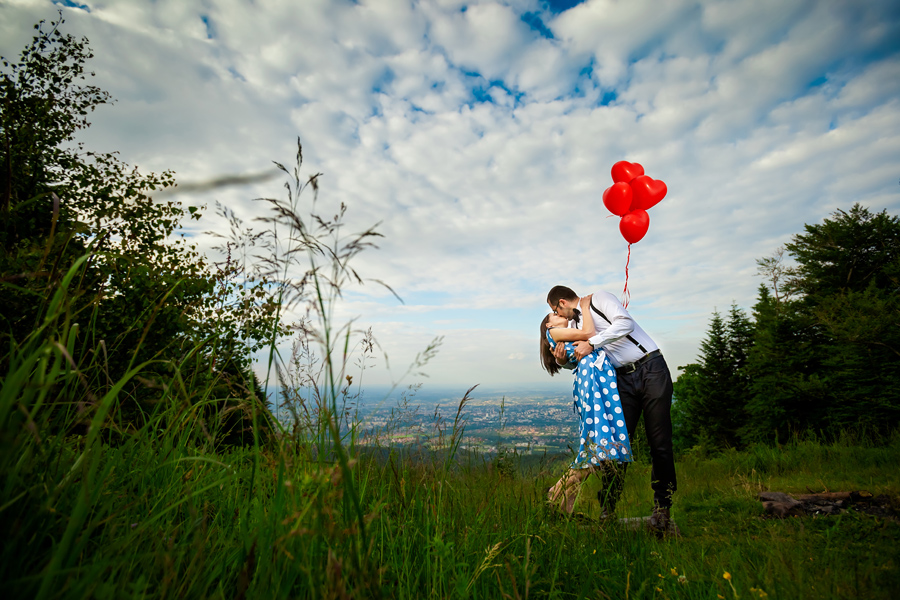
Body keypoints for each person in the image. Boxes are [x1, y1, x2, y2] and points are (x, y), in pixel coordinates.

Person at [546, 285, 676, 534]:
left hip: (650, 368)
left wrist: (593, 343)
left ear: (561, 302)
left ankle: (663, 508)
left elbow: (624, 323)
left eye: (555, 310)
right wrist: (562, 361)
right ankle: (608, 508)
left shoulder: (599, 299)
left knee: (659, 443)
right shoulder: (575, 327)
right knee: (613, 445)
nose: (558, 315)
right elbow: (578, 356)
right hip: (621, 379)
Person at [539, 294, 633, 515]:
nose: (558, 315)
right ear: (548, 325)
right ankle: (554, 493)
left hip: (596, 382)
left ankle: (564, 503)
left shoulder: (564, 332)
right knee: (595, 447)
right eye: (554, 314)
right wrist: (584, 306)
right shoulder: (552, 331)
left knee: (595, 449)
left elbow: (574, 355)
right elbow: (590, 334)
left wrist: (563, 360)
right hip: (592, 384)